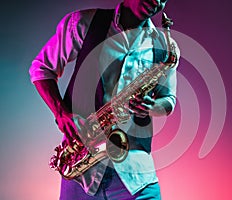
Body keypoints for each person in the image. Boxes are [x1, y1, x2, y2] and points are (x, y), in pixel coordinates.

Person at [29, 0, 179, 199]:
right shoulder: (84, 22)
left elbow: (169, 100)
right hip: (81, 172)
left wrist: (153, 106)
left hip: (135, 172)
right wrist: (61, 113)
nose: (156, 1)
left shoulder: (165, 47)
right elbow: (41, 68)